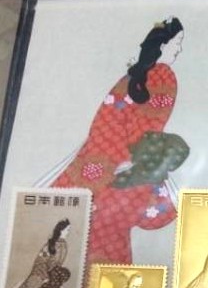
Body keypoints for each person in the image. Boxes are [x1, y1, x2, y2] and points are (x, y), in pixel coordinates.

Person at [40, 17, 189, 264]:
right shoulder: (162, 75)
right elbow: (149, 124)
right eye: (177, 42)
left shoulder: (133, 76)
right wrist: (131, 160)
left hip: (103, 153)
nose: (179, 49)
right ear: (162, 45)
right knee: (111, 224)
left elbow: (110, 121)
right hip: (125, 158)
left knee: (91, 219)